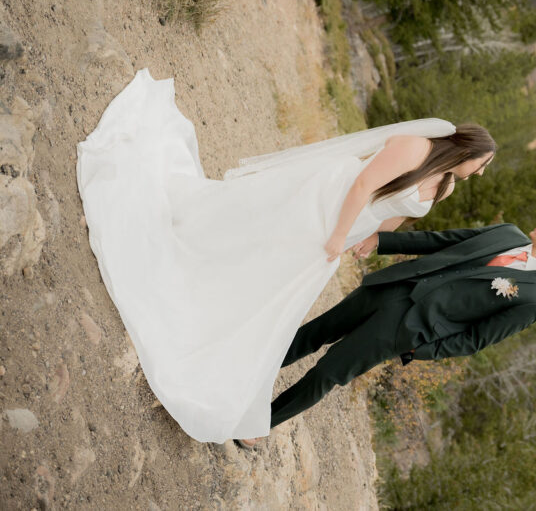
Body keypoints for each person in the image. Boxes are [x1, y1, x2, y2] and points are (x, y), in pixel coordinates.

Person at [76, 69, 495, 442]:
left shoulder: (446, 186)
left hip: (349, 228)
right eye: (483, 164)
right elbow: (364, 185)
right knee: (265, 248)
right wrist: (339, 234)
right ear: (469, 150)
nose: (481, 173)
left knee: (275, 283)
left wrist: (371, 240)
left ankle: (227, 317)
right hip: (328, 207)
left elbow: (399, 212)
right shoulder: (415, 148)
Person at [236, 201, 536, 448]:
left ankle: (260, 424)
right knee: (311, 334)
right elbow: (442, 240)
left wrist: (417, 349)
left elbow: (475, 340)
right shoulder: (508, 233)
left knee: (328, 372)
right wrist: (383, 241)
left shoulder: (535, 299)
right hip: (391, 288)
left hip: (406, 328)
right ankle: (236, 377)